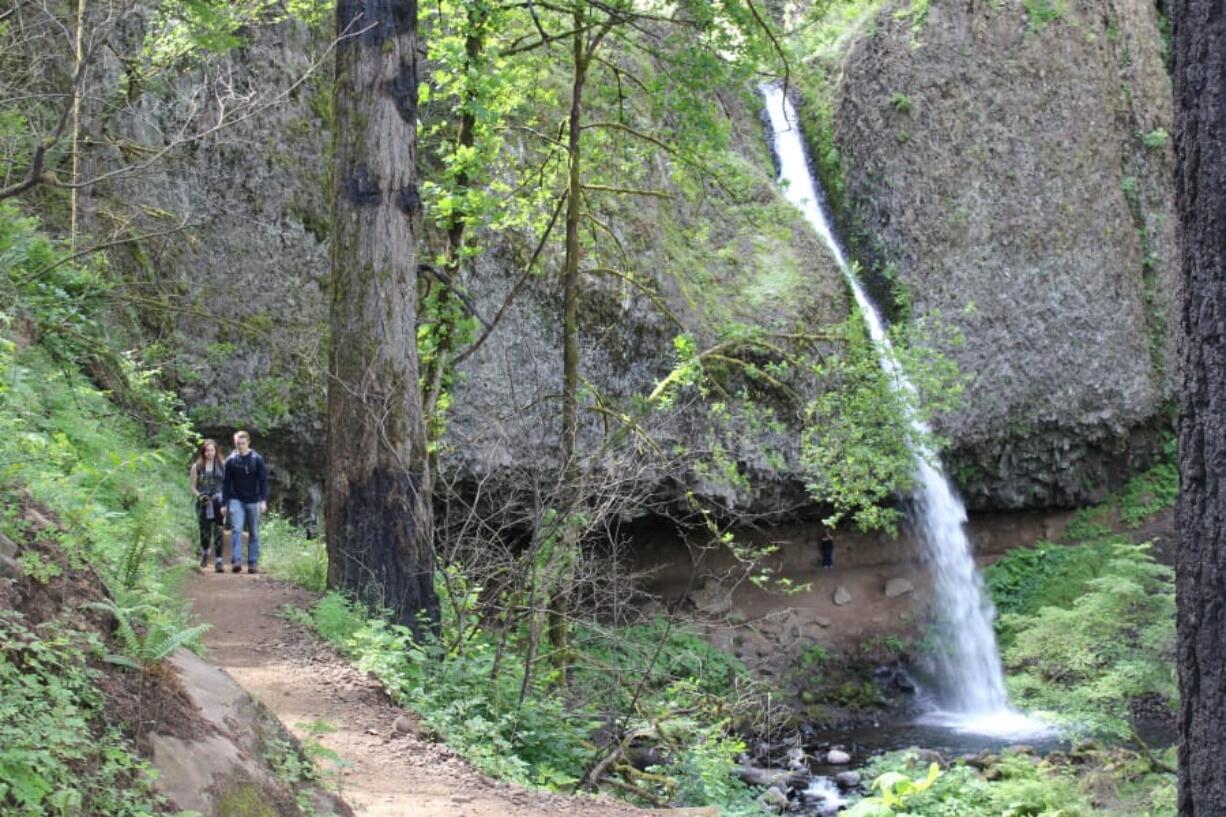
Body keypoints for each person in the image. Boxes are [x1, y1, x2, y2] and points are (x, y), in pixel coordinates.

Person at [222, 430, 269, 574]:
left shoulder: (256, 459)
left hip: (253, 500)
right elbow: (226, 483)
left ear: (248, 442)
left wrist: (263, 500)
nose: (240, 446)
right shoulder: (230, 460)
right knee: (237, 529)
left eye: (242, 443)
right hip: (236, 499)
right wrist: (225, 504)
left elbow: (263, 481)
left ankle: (252, 562)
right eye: (238, 444)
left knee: (254, 532)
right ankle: (236, 560)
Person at [190, 439, 226, 572]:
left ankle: (219, 561)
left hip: (218, 503)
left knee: (218, 531)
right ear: (203, 452)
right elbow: (193, 487)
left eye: (212, 450)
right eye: (207, 451)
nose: (210, 453)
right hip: (203, 503)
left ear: (216, 451)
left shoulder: (223, 466)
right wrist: (199, 496)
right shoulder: (197, 467)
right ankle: (205, 551)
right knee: (204, 532)